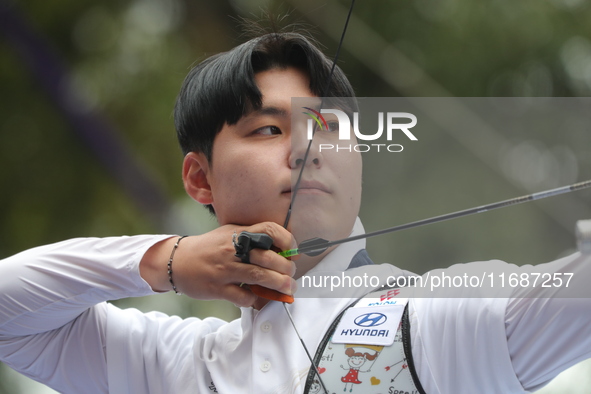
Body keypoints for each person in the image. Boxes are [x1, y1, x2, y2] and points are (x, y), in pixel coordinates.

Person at [0, 31, 590, 394]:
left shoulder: (434, 317)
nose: (308, 146)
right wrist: (168, 261)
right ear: (199, 179)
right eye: (268, 127)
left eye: (328, 125)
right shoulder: (176, 365)